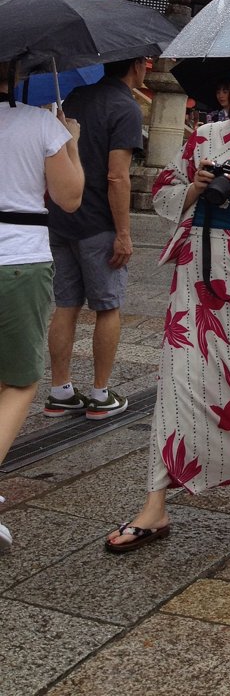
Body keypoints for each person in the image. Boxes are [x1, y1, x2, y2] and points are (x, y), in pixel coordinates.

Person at [105, 58, 230, 553]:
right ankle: (155, 502)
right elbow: (167, 189)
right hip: (195, 263)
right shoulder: (205, 137)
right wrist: (194, 185)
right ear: (226, 92)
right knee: (177, 375)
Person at [0, 79, 83, 549]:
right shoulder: (38, 124)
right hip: (18, 262)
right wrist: (67, 138)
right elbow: (70, 197)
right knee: (21, 380)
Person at [44, 57, 148, 420]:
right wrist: (123, 233)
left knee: (66, 305)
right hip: (98, 222)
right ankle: (100, 393)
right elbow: (117, 177)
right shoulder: (125, 108)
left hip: (61, 216)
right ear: (136, 65)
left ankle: (60, 391)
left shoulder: (73, 97)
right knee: (107, 307)